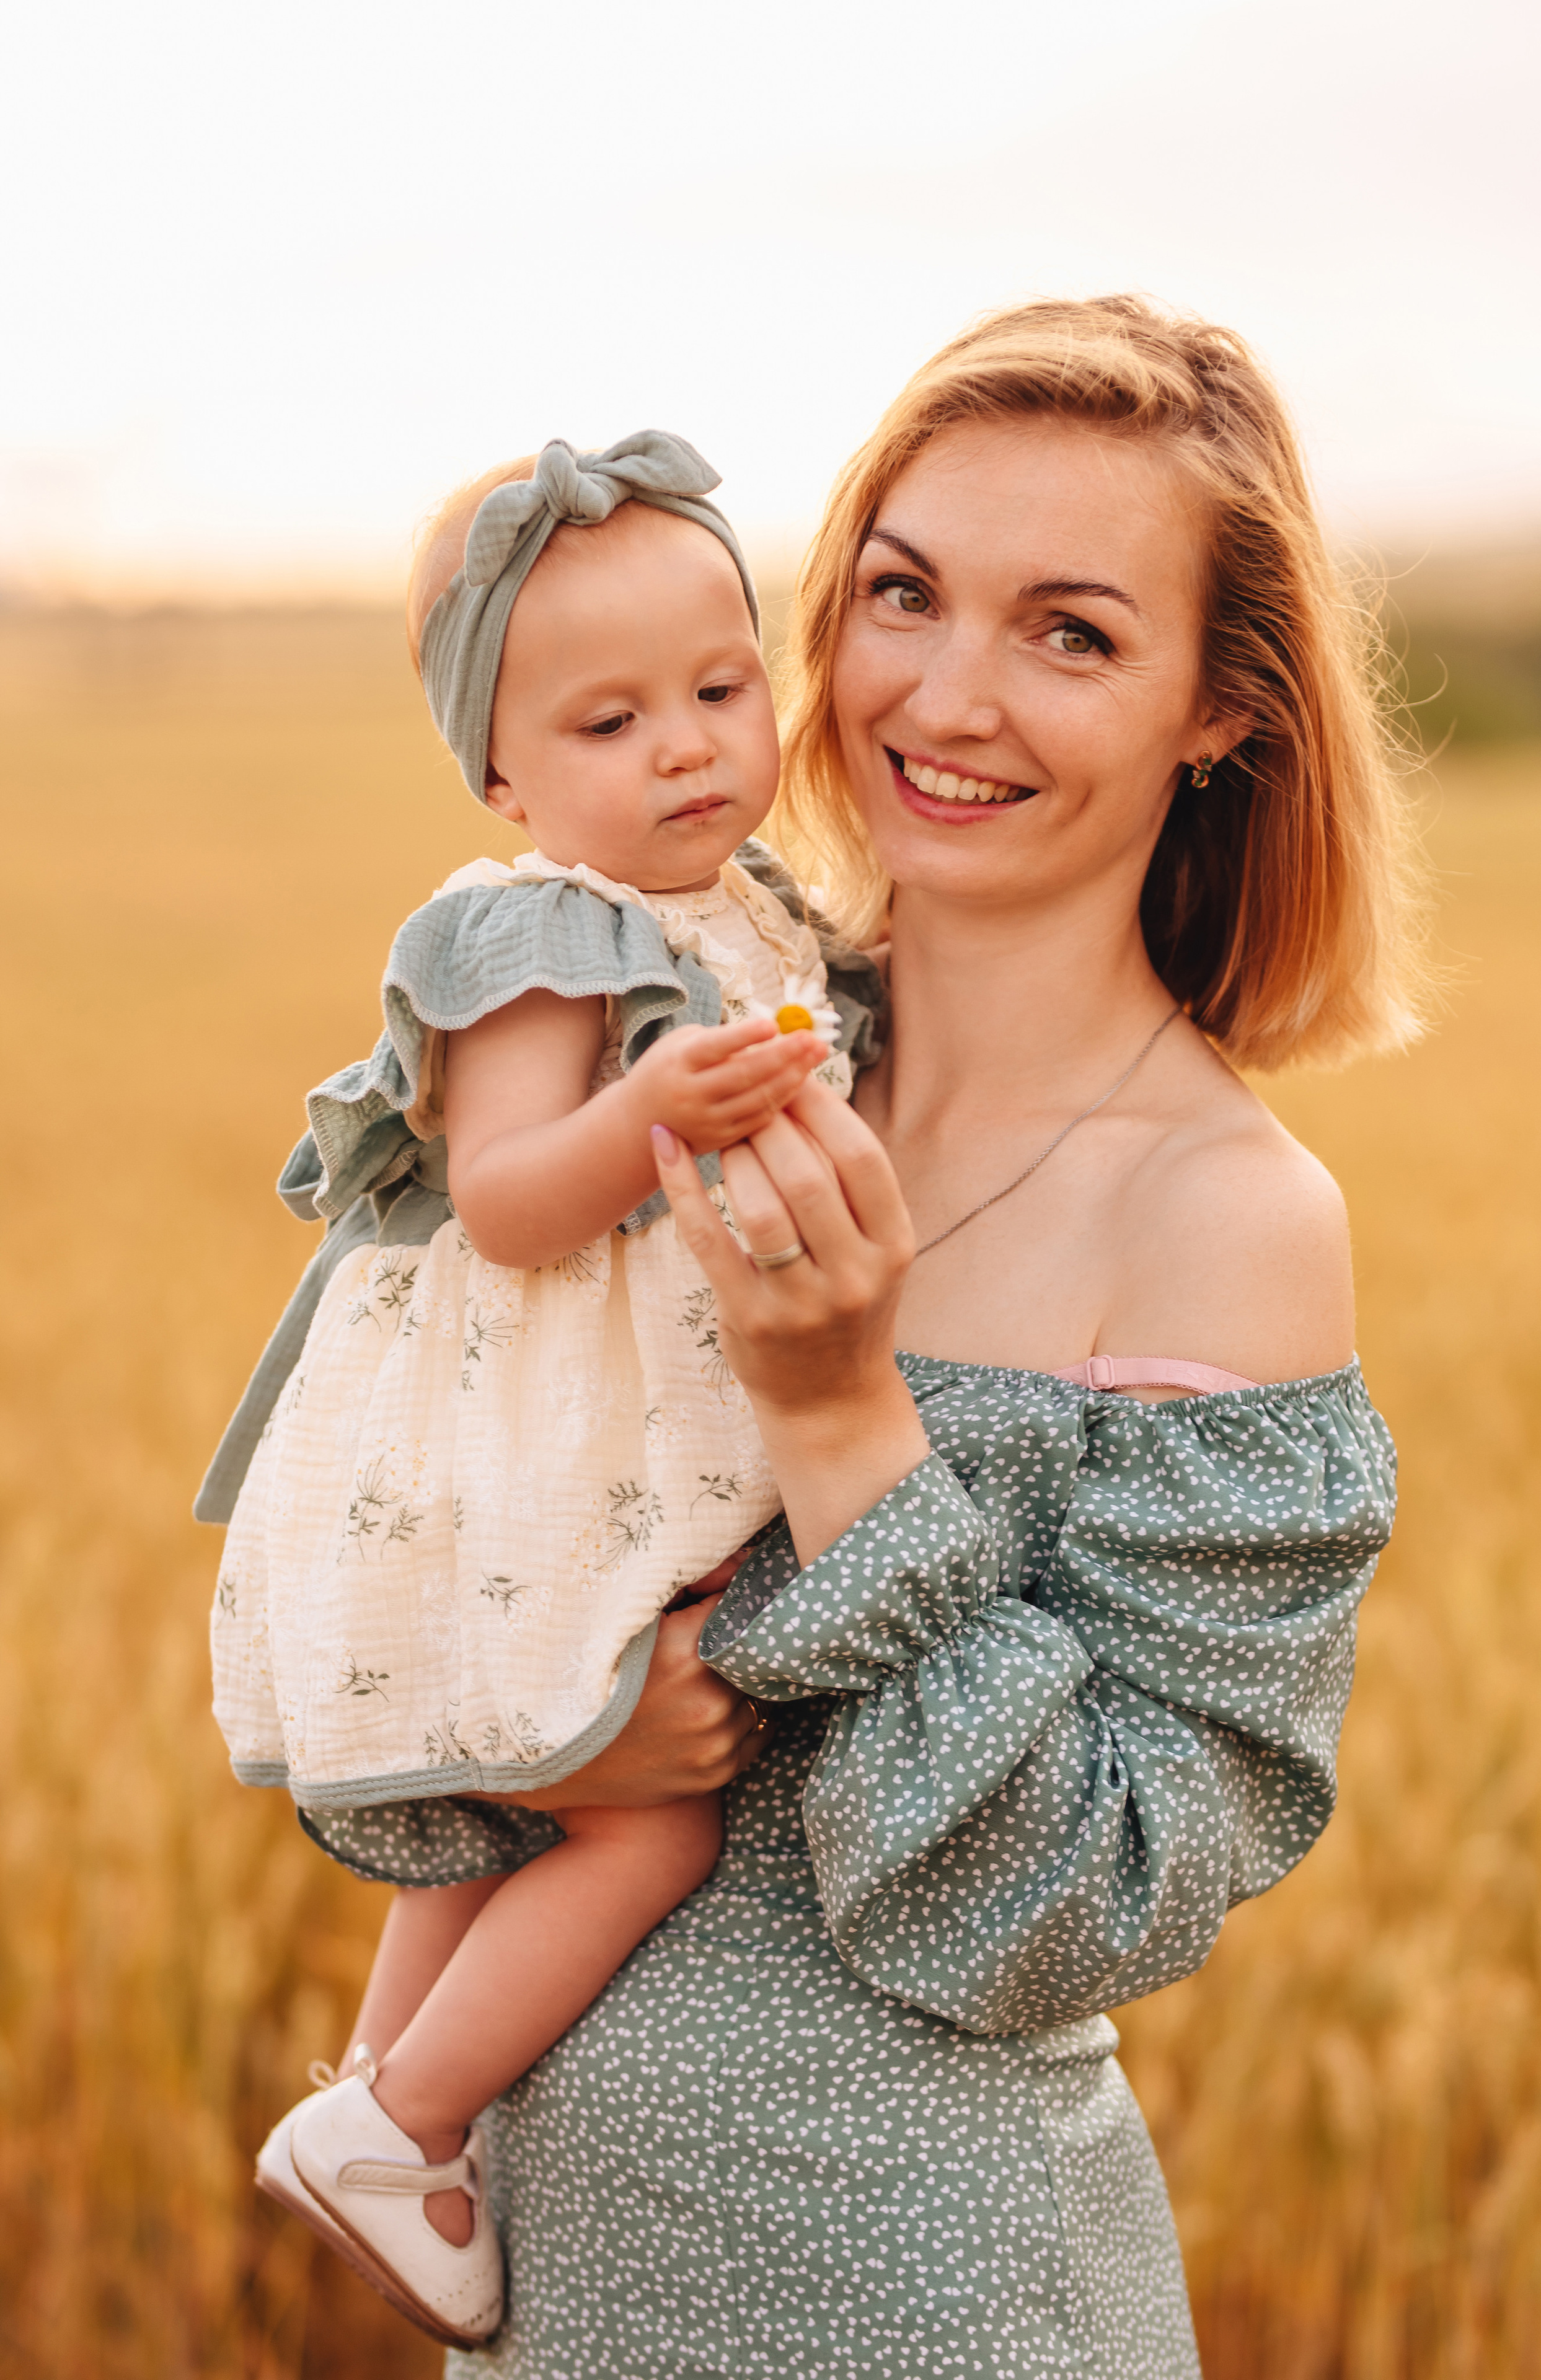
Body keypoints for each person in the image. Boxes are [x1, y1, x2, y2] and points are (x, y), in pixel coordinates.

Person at [269, 298, 1420, 2379]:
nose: (945, 695)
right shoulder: (682, 1065)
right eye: (903, 595)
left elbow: (1092, 1900)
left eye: (1071, 632)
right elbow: (406, 1543)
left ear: (1219, 709)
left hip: (930, 2306)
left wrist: (836, 1412)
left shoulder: (1226, 1220)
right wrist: (542, 1736)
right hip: (552, 2302)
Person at [198, 431, 882, 2346]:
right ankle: (408, 2117)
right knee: (638, 1811)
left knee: (514, 1798)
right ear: (502, 776)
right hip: (550, 1434)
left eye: (721, 691)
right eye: (608, 722)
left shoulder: (757, 910)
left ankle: (377, 2094)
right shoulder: (535, 934)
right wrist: (648, 1107)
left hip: (650, 1416)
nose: (683, 748)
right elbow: (504, 1202)